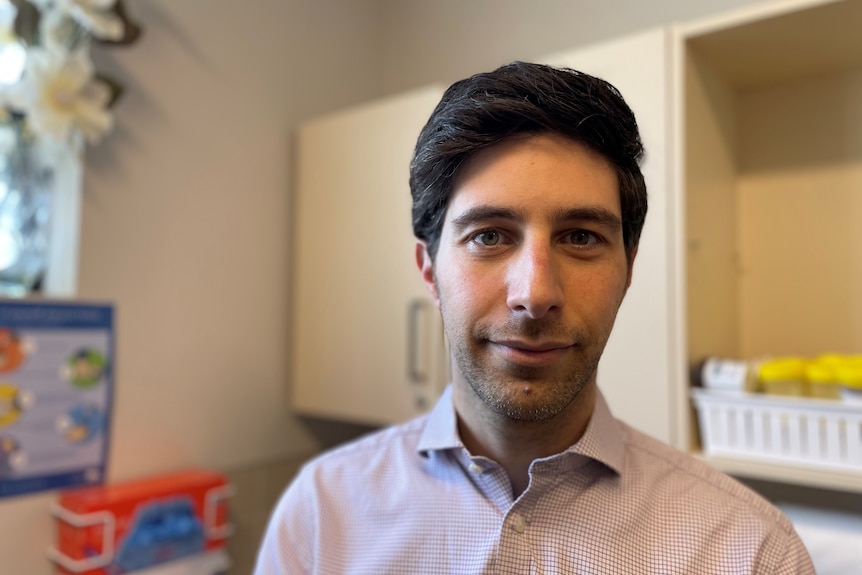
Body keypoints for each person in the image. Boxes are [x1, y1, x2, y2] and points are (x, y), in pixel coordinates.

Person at [255, 61, 815, 574]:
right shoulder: (320, 516)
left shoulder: (753, 551)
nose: (535, 293)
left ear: (627, 270)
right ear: (428, 268)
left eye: (580, 237)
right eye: (490, 236)